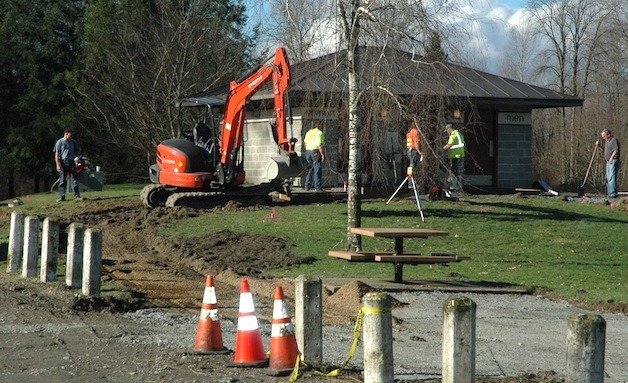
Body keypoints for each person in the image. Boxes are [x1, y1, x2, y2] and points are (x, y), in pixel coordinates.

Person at [53, 128, 82, 202]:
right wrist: (58, 165)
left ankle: (77, 196)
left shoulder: (72, 142)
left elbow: (78, 148)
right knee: (62, 180)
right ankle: (62, 196)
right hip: (63, 162)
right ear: (66, 134)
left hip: (71, 161)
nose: (71, 136)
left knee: (74, 179)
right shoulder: (59, 142)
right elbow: (56, 155)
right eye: (70, 135)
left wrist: (77, 155)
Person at [596, 129, 621, 198]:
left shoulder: (613, 140)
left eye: (604, 136)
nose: (603, 137)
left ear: (608, 135)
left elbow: (616, 150)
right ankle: (611, 192)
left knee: (611, 178)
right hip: (608, 161)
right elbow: (605, 149)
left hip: (613, 161)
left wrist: (611, 158)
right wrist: (599, 146)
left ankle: (612, 194)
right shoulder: (607, 142)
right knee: (608, 178)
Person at [442, 123, 465, 190]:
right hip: (460, 154)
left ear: (449, 129)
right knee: (457, 170)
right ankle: (458, 185)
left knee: (453, 171)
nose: (447, 132)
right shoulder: (459, 134)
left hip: (455, 155)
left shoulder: (453, 135)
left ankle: (454, 186)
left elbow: (449, 145)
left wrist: (442, 149)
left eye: (447, 130)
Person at [303, 124, 325, 191]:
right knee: (317, 169)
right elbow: (320, 145)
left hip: (308, 151)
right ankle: (317, 187)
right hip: (315, 151)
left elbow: (305, 143)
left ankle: (307, 187)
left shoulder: (309, 132)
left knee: (309, 169)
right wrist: (322, 154)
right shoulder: (319, 133)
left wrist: (308, 150)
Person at [405, 122, 423, 188]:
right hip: (413, 150)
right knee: (413, 166)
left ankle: (411, 181)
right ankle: (412, 182)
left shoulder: (409, 133)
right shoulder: (415, 132)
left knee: (411, 165)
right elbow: (416, 142)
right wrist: (419, 151)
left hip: (409, 150)